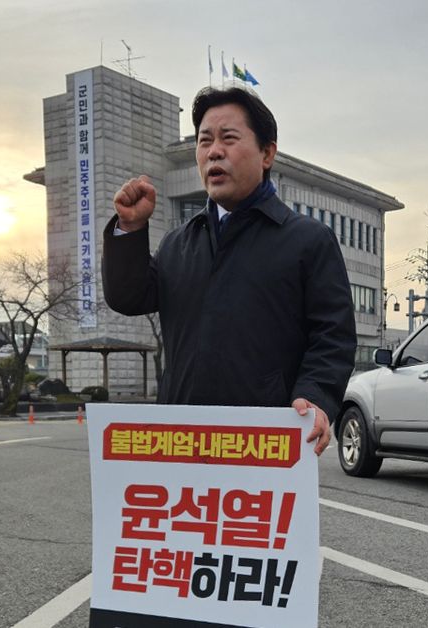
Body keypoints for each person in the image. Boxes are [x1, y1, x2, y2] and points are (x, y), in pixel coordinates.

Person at [102, 86, 356, 456]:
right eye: (204, 141)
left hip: (263, 444)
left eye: (228, 138)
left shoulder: (307, 240)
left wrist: (315, 396)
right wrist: (130, 229)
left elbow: (333, 337)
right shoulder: (179, 244)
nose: (214, 151)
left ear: (267, 152)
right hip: (181, 438)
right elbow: (127, 297)